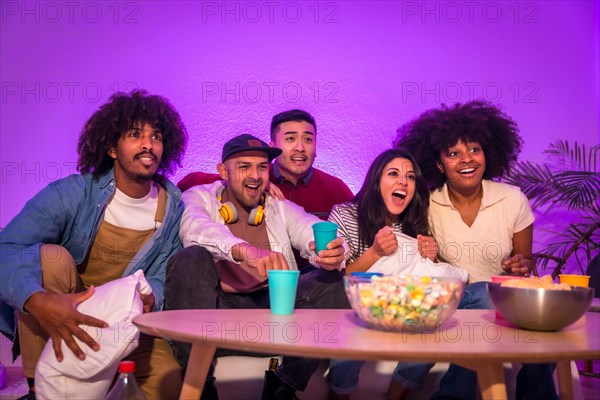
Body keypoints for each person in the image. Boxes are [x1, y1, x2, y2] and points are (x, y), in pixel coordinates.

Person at [0, 90, 188, 400]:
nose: (148, 144)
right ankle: (39, 388)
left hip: (127, 326)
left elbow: (170, 272)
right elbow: (8, 247)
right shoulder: (74, 193)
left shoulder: (176, 210)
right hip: (62, 316)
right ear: (112, 148)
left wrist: (152, 293)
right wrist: (34, 299)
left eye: (156, 136)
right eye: (135, 134)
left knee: (168, 382)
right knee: (51, 257)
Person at [165, 133, 351, 400]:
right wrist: (243, 250)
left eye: (262, 167)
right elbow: (194, 228)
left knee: (335, 282)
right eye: (244, 167)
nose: (255, 175)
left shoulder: (278, 207)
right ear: (222, 171)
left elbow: (307, 226)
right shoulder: (199, 197)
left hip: (271, 313)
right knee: (189, 258)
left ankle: (283, 387)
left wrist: (330, 251)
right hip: (216, 312)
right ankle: (200, 385)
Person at [393, 100, 558, 400]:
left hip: (503, 303)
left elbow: (526, 262)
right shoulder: (427, 204)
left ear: (487, 154)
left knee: (538, 327)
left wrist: (520, 264)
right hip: (453, 301)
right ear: (439, 165)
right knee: (482, 293)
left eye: (474, 149)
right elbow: (430, 267)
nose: (466, 159)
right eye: (453, 153)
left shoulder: (512, 199)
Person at [324, 149, 485, 400]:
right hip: (366, 308)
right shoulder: (345, 214)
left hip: (411, 308)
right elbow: (340, 283)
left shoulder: (414, 221)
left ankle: (395, 397)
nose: (403, 182)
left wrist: (432, 256)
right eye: (394, 174)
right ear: (376, 180)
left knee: (477, 295)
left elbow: (427, 277)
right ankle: (338, 396)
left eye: (410, 177)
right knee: (352, 322)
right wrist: (375, 252)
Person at [177, 109, 354, 220]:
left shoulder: (335, 189)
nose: (300, 147)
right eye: (290, 139)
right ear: (272, 146)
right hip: (258, 273)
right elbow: (188, 182)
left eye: (308, 139)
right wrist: (259, 181)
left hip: (313, 274)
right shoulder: (254, 175)